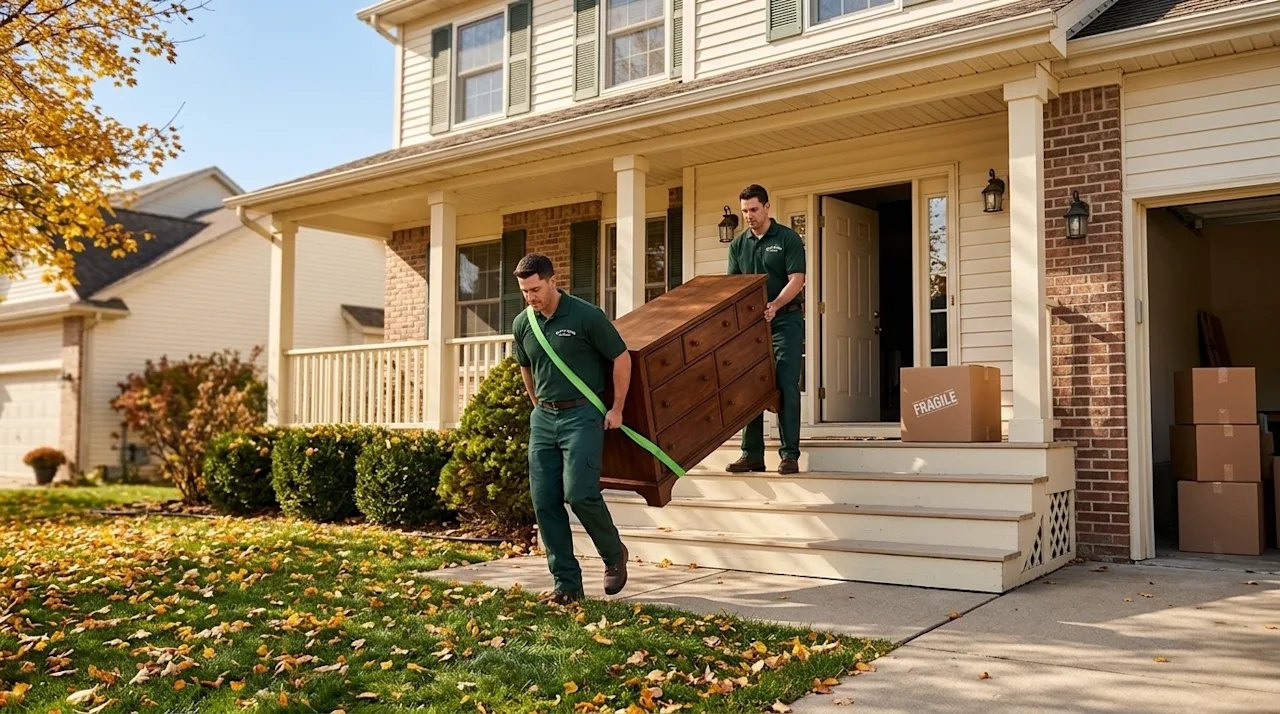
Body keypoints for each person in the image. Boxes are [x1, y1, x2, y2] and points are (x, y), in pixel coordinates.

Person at [510, 253, 630, 605]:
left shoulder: (586, 316)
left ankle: (613, 554)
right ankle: (566, 585)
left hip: (582, 417)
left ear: (551, 280)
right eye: (524, 291)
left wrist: (617, 408)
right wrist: (538, 408)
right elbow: (526, 367)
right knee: (544, 500)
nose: (530, 297)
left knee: (579, 494)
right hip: (544, 420)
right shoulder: (523, 322)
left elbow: (621, 357)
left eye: (535, 289)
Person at [725, 184, 806, 475]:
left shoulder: (787, 238)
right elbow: (733, 287)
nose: (749, 216)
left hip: (786, 320)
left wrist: (775, 304)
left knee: (785, 383)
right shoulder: (738, 245)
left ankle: (790, 455)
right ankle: (752, 455)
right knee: (750, 385)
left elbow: (797, 279)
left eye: (754, 209)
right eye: (745, 211)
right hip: (751, 326)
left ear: (767, 207)